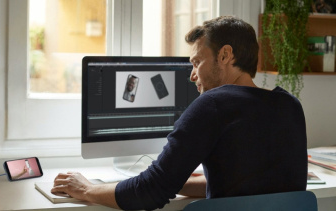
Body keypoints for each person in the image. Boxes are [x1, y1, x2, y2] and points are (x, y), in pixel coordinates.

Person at [51, 16, 308, 210]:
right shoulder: (289, 105)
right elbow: (250, 188)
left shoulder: (212, 104)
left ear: (225, 55)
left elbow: (151, 192)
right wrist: (177, 180)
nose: (192, 75)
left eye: (197, 62)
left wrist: (87, 189)